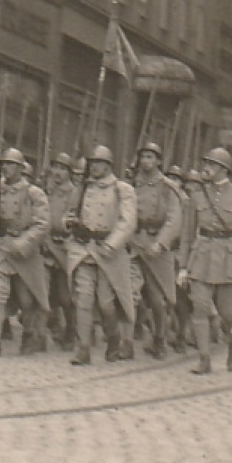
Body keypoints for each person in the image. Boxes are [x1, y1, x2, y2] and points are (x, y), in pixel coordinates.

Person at [177, 147, 232, 374]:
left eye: (212, 164)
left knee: (227, 312)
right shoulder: (197, 195)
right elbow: (187, 234)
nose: (206, 168)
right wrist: (183, 266)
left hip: (229, 259)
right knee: (200, 307)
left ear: (224, 169)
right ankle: (204, 359)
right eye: (206, 163)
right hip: (202, 256)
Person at [63, 144, 138, 366]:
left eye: (99, 163)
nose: (94, 167)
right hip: (84, 249)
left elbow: (128, 221)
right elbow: (69, 213)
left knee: (106, 303)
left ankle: (114, 337)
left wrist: (113, 244)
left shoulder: (122, 189)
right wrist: (69, 223)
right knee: (83, 299)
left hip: (108, 252)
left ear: (109, 165)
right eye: (92, 162)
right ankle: (83, 348)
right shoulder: (82, 188)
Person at [0, 148, 50, 356]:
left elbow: (42, 223)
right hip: (0, 247)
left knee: (26, 297)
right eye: (3, 164)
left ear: (21, 168)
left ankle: (29, 334)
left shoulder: (33, 193)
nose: (6, 168)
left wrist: (24, 242)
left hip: (24, 252)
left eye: (11, 164)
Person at [128, 141, 183, 358]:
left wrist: (160, 243)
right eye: (143, 156)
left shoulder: (168, 187)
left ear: (159, 161)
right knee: (129, 294)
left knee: (158, 300)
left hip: (158, 247)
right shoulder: (132, 184)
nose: (146, 161)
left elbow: (173, 219)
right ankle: (127, 339)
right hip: (134, 243)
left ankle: (160, 338)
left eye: (151, 157)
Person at [42, 152, 80, 352]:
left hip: (65, 246)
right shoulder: (46, 190)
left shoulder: (74, 193)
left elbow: (72, 218)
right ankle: (51, 326)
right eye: (55, 168)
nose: (58, 172)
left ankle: (71, 331)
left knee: (65, 295)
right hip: (46, 244)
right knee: (44, 291)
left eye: (63, 169)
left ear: (69, 173)